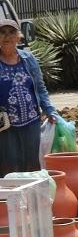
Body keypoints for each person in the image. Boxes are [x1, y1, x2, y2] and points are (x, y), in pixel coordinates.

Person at [0, 18, 59, 177]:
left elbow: (40, 87)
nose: (7, 36)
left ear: (18, 37)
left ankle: (32, 193)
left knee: (32, 165)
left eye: (11, 32)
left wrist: (49, 110)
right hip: (5, 127)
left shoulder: (28, 59)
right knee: (9, 168)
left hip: (31, 122)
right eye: (2, 32)